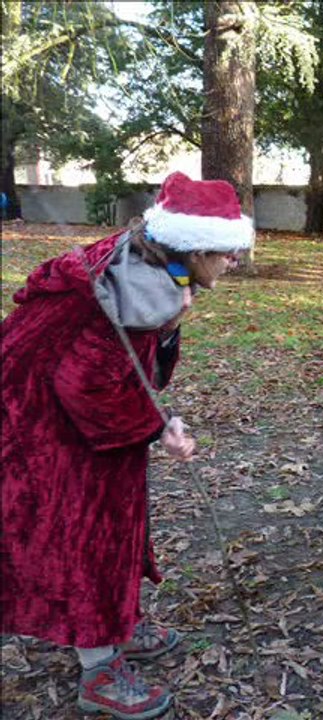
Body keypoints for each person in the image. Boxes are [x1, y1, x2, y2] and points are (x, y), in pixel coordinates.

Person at [1, 171, 253, 720]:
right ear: (194, 245)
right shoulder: (141, 287)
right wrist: (158, 429)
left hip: (66, 416)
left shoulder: (152, 265)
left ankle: (116, 621)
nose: (235, 261)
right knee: (87, 533)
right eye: (228, 252)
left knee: (117, 520)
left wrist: (159, 371)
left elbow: (126, 369)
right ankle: (98, 668)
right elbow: (84, 383)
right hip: (42, 427)